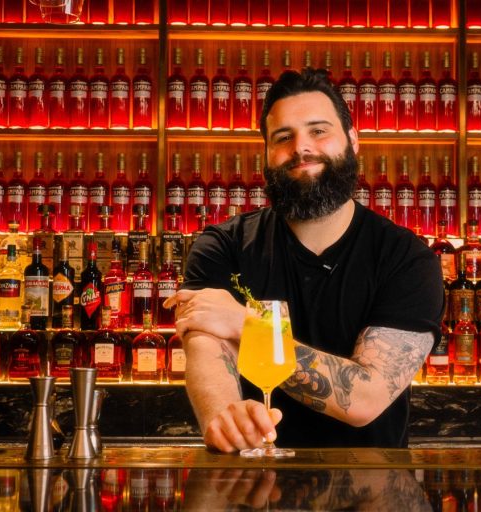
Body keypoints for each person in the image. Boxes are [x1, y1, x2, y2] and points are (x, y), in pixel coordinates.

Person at [163, 68, 444, 453]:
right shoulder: (222, 246)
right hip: (253, 483)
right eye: (283, 137)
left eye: (318, 131)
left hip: (374, 490)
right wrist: (225, 416)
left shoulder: (407, 258)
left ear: (352, 141)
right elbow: (208, 347)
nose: (301, 148)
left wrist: (246, 322)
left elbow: (365, 399)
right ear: (266, 153)